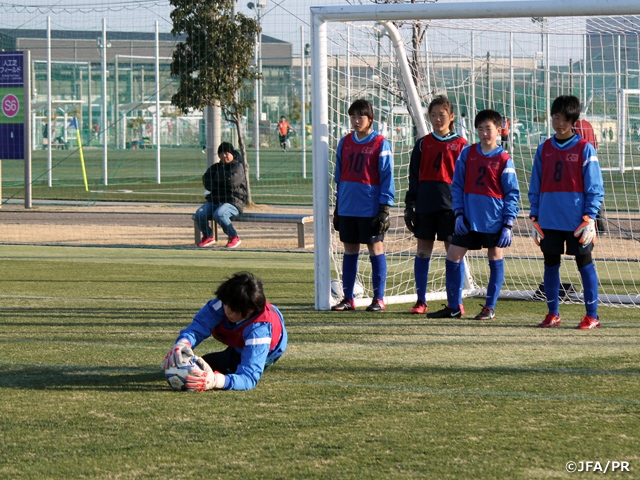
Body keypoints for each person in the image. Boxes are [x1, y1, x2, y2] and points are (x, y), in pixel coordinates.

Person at [428, 109, 520, 320]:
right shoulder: (467, 154)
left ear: (499, 130)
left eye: (488, 129)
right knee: (452, 256)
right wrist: (459, 214)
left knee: (495, 256)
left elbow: (512, 194)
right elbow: (457, 185)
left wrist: (507, 224)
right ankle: (454, 307)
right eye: (480, 129)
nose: (484, 133)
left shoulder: (504, 159)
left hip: (493, 220)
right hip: (468, 218)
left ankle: (489, 307)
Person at [529, 95, 604, 329]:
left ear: (573, 120)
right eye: (555, 117)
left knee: (584, 263)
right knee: (550, 264)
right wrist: (534, 216)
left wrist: (590, 217)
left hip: (577, 221)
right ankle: (553, 313)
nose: (559, 122)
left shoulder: (585, 148)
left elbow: (594, 187)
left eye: (564, 118)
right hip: (549, 219)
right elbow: (535, 185)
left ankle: (592, 315)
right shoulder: (544, 149)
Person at [162, 272, 287, 391]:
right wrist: (183, 344)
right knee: (204, 365)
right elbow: (199, 327)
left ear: (250, 310)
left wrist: (215, 381)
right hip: (239, 342)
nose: (227, 311)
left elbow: (248, 378)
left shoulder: (260, 331)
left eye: (234, 309)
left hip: (268, 351)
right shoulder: (222, 302)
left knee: (219, 369)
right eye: (226, 304)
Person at [404, 95, 468, 315]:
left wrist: (465, 208)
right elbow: (414, 176)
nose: (437, 119)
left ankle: (455, 302)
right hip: (425, 205)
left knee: (453, 254)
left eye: (441, 115)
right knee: (423, 252)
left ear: (451, 117)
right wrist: (410, 204)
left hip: (451, 208)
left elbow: (465, 180)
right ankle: (421, 301)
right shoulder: (422, 144)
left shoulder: (462, 145)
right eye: (433, 115)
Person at [331, 98, 395, 312]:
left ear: (370, 119)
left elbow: (387, 177)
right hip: (348, 206)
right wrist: (338, 207)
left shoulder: (380, 143)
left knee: (375, 248)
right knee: (350, 250)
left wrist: (384, 209)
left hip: (370, 208)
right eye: (353, 117)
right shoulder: (345, 142)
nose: (356, 121)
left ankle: (379, 298)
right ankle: (348, 298)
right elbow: (339, 175)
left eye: (360, 117)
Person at [194, 142, 247, 249]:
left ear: (232, 154)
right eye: (221, 153)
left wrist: (216, 179)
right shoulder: (215, 167)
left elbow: (231, 182)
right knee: (199, 214)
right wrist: (220, 180)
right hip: (215, 200)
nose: (224, 156)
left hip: (233, 202)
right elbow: (206, 182)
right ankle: (208, 236)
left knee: (219, 214)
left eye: (227, 153)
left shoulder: (238, 167)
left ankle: (234, 236)